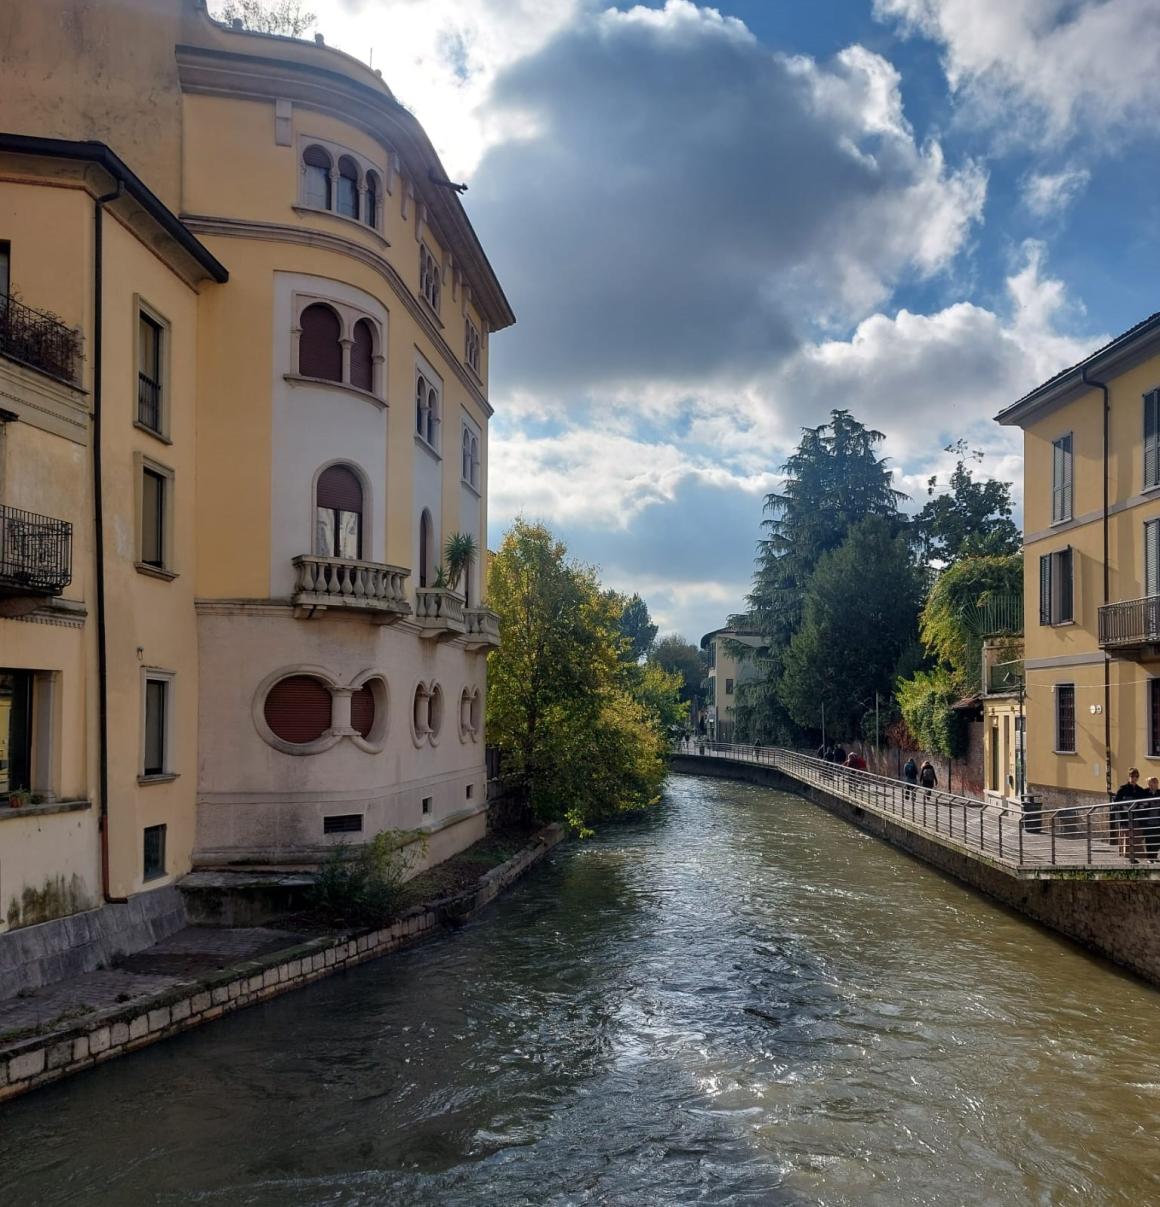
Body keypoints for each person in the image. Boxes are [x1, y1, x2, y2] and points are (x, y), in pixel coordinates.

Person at [1112, 768, 1149, 857]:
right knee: (1127, 841)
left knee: (1137, 841)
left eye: (1136, 776)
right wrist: (1125, 807)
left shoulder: (1140, 790)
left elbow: (1145, 803)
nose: (1134, 778)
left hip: (1137, 819)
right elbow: (1116, 802)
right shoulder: (1123, 789)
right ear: (1129, 777)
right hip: (1125, 819)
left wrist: (1138, 807)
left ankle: (1138, 858)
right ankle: (1128, 859)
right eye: (1132, 776)